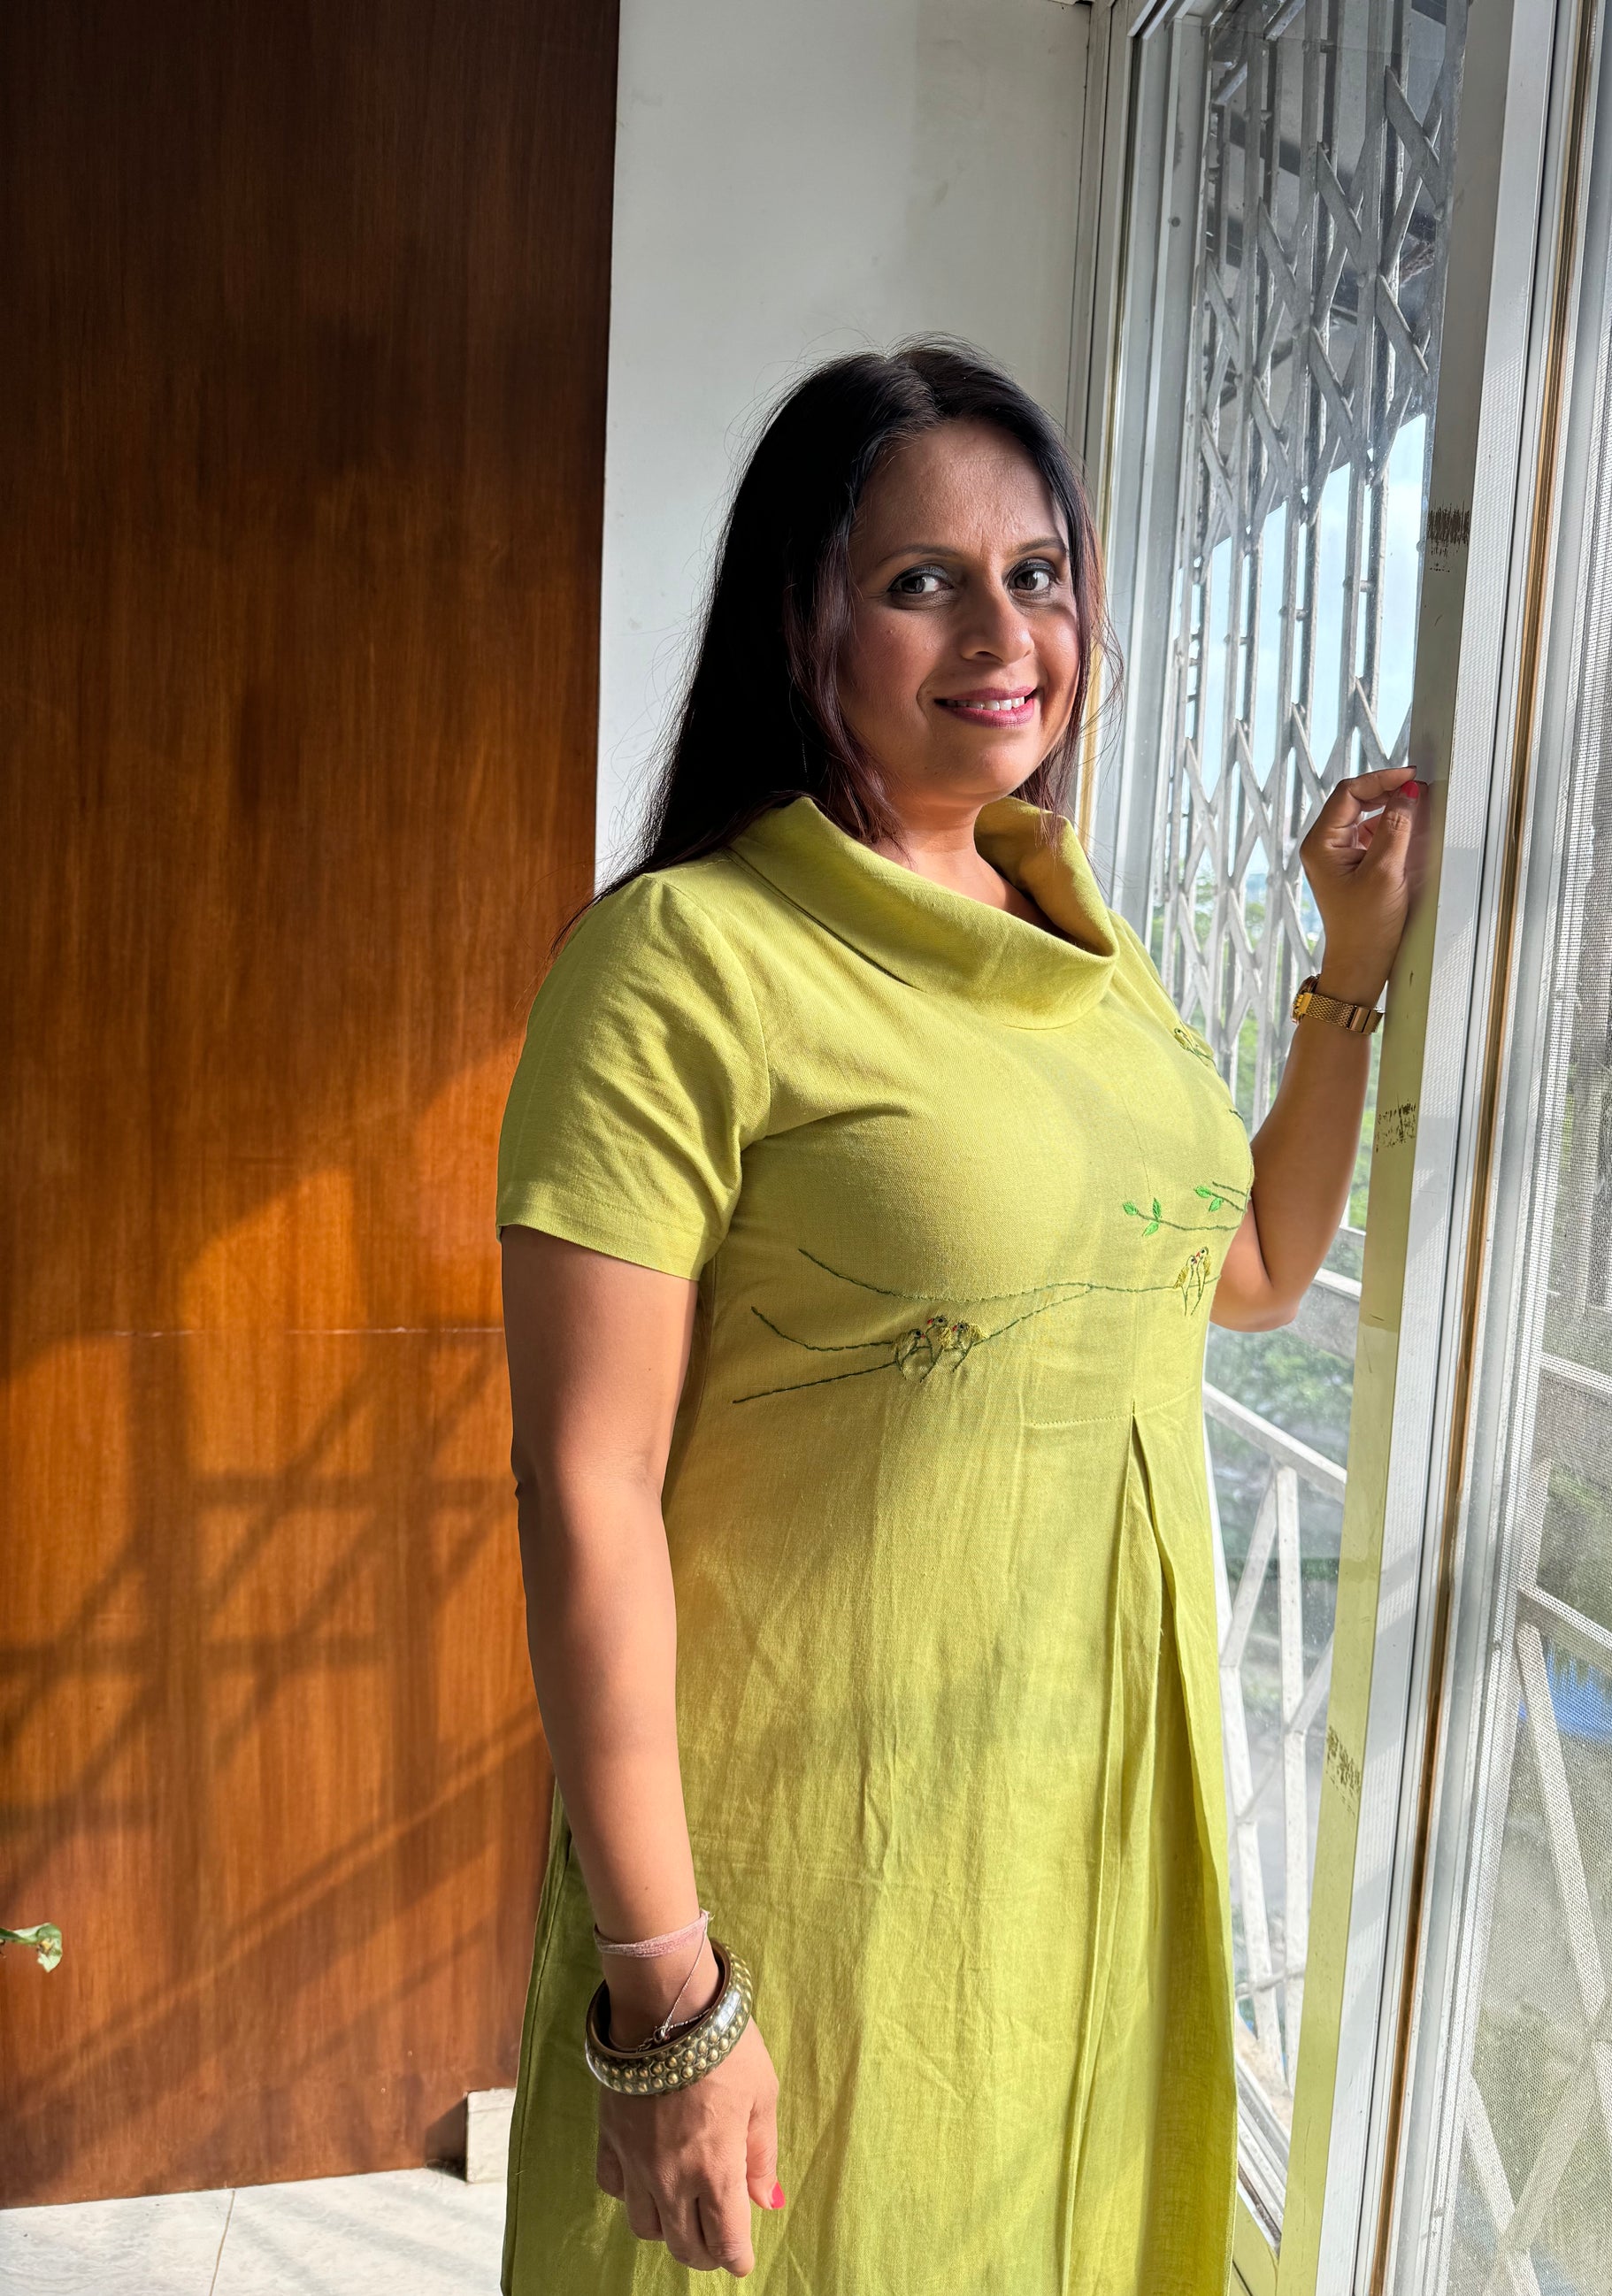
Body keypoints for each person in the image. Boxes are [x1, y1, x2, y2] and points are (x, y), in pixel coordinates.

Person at [495, 341, 1417, 2292]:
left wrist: (1345, 971)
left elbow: (1248, 1271)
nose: (1004, 634)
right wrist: (668, 1985)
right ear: (806, 619)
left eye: (1037, 572)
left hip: (1081, 1836)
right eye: (923, 579)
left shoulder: (1075, 936)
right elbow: (584, 1486)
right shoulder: (684, 962)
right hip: (809, 1874)